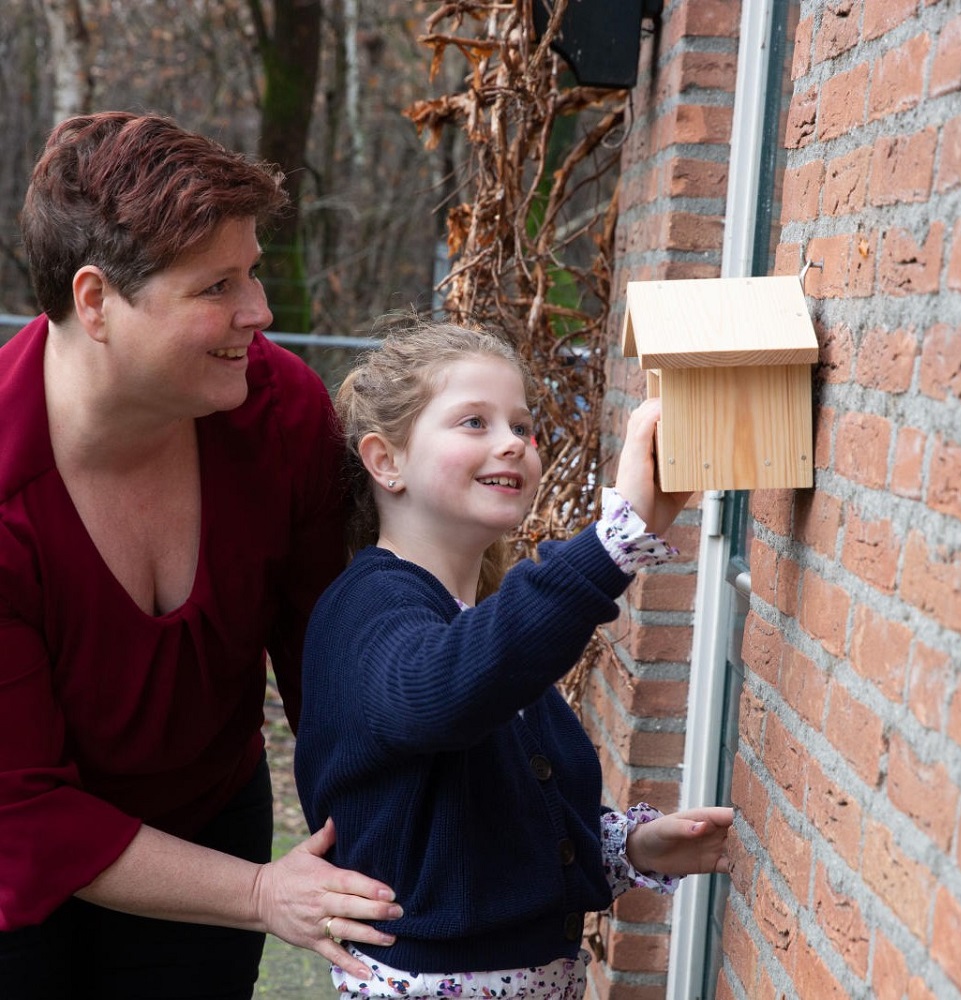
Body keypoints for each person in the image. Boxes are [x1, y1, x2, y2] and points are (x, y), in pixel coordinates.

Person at [0, 112, 402, 1000]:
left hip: (210, 815)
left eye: (253, 272)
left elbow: (326, 668)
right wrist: (265, 892)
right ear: (96, 301)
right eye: (218, 285)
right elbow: (20, 808)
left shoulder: (280, 415)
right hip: (15, 878)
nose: (259, 313)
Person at [294, 319, 734, 998]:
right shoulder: (368, 608)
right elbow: (439, 694)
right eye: (474, 421)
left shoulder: (475, 620)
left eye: (521, 426)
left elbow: (487, 819)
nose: (513, 443)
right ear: (386, 461)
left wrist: (626, 848)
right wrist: (612, 543)